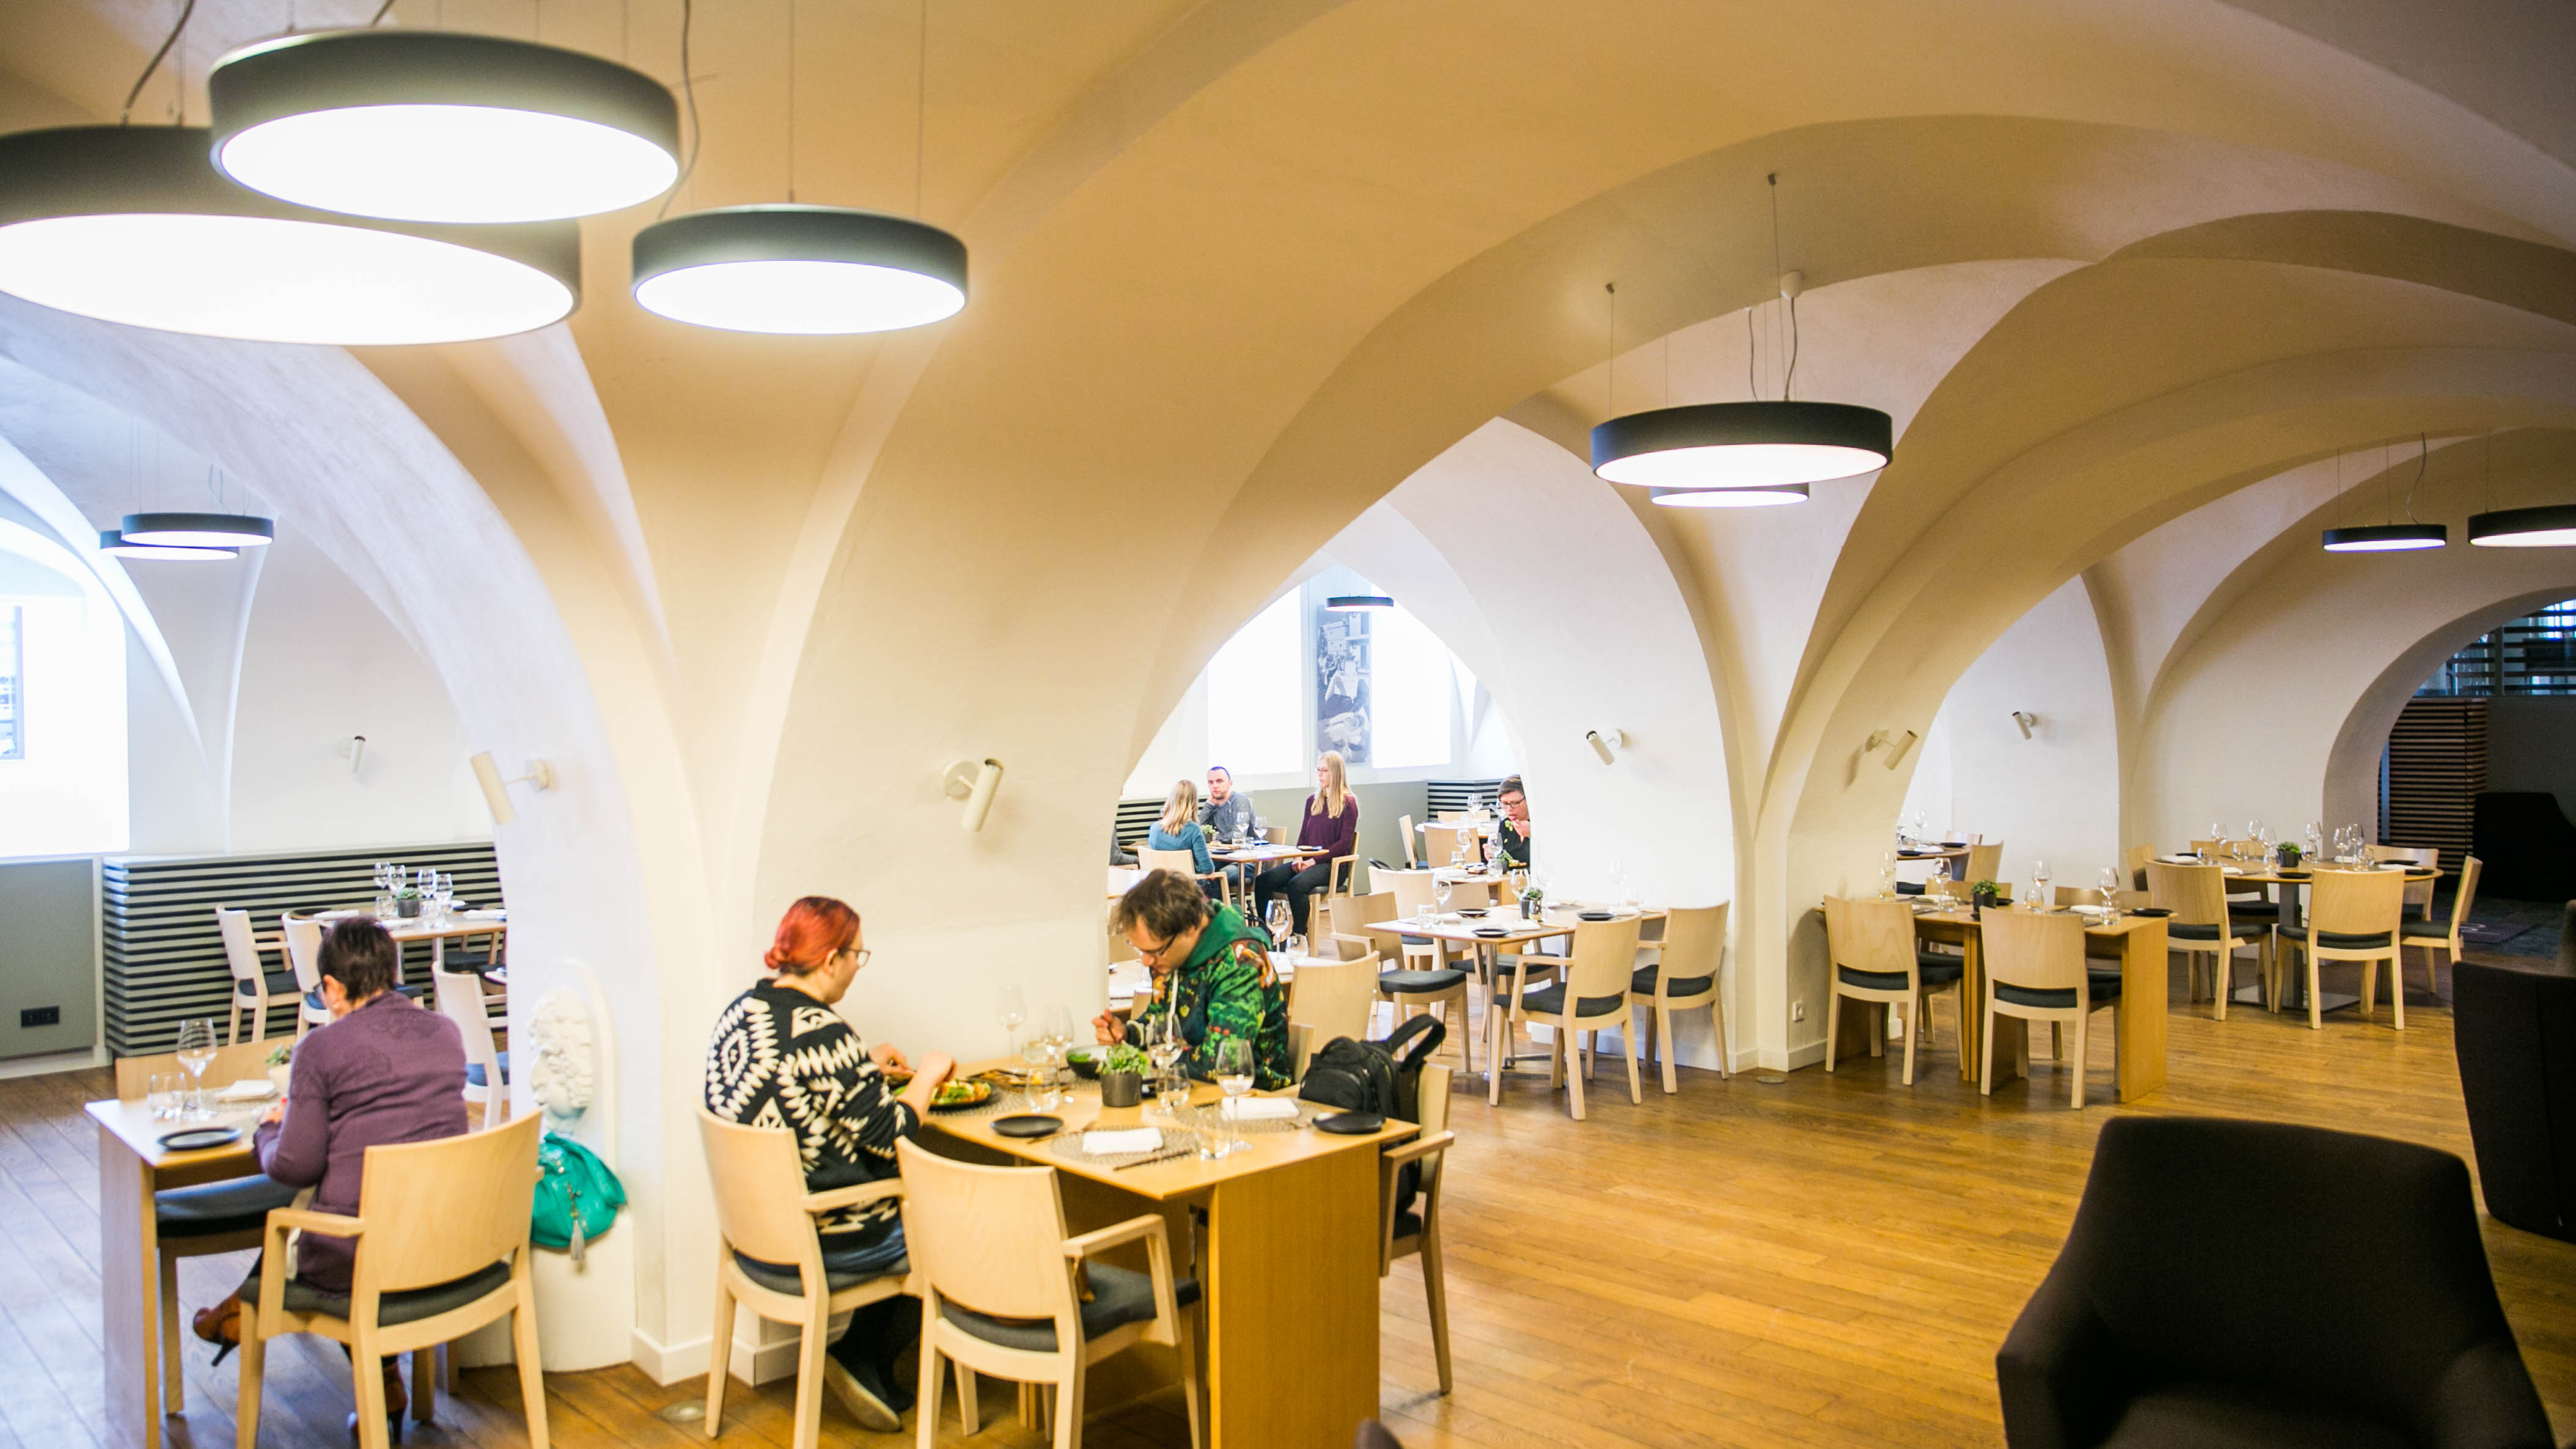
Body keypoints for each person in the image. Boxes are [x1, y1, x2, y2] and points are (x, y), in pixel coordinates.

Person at [189, 917, 468, 1437]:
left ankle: (239, 1311)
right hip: (446, 1244)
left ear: (333, 988)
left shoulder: (320, 1049)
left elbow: (293, 1165)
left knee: (304, 1215)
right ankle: (381, 1380)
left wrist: (267, 1131)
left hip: (360, 1259)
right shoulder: (446, 1032)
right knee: (339, 1204)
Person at [705, 897, 957, 1429]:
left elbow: (785, 1080)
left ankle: (869, 1364)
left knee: (920, 1214)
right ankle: (860, 1353)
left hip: (753, 1236)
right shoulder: (823, 1030)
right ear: (830, 959)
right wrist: (928, 1076)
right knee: (946, 1230)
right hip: (821, 1237)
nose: (856, 969)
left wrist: (862, 1065)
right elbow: (891, 1133)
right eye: (857, 956)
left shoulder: (740, 1012)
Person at [1092, 868, 1292, 1090]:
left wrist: (1153, 1058)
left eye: (1155, 951)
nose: (1147, 961)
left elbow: (1223, 1062)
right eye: (1141, 951)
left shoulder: (1241, 961)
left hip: (1253, 1095)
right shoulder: (1169, 955)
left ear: (1190, 928)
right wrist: (1128, 1034)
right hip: (1188, 1085)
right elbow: (1162, 1023)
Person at [1255, 750, 1359, 937]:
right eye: (1318, 770)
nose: (1320, 775)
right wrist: (1298, 858)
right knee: (1263, 881)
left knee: (1297, 885)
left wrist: (1314, 861)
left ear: (1336, 773)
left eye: (1324, 771)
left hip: (1331, 865)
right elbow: (1303, 836)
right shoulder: (1312, 801)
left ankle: (1299, 935)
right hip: (1307, 860)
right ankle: (1266, 933)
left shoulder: (1348, 803)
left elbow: (1344, 843)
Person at [1145, 777, 1219, 895]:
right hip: (1189, 889)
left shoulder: (1154, 829)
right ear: (1193, 802)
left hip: (1162, 889)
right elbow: (1208, 869)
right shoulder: (1193, 830)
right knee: (1217, 882)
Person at [1198, 765, 1257, 843]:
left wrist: (1214, 837)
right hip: (1224, 848)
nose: (1215, 786)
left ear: (1230, 783)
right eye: (1211, 782)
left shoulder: (1239, 800)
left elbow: (1239, 835)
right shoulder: (1213, 805)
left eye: (1219, 781)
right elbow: (1198, 830)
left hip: (1250, 847)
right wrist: (1208, 805)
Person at [1491, 774, 1533, 868]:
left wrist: (1532, 833)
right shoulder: (1505, 825)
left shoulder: (1539, 827)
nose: (1509, 809)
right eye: (1505, 803)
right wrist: (1493, 857)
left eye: (1515, 803)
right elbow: (1505, 861)